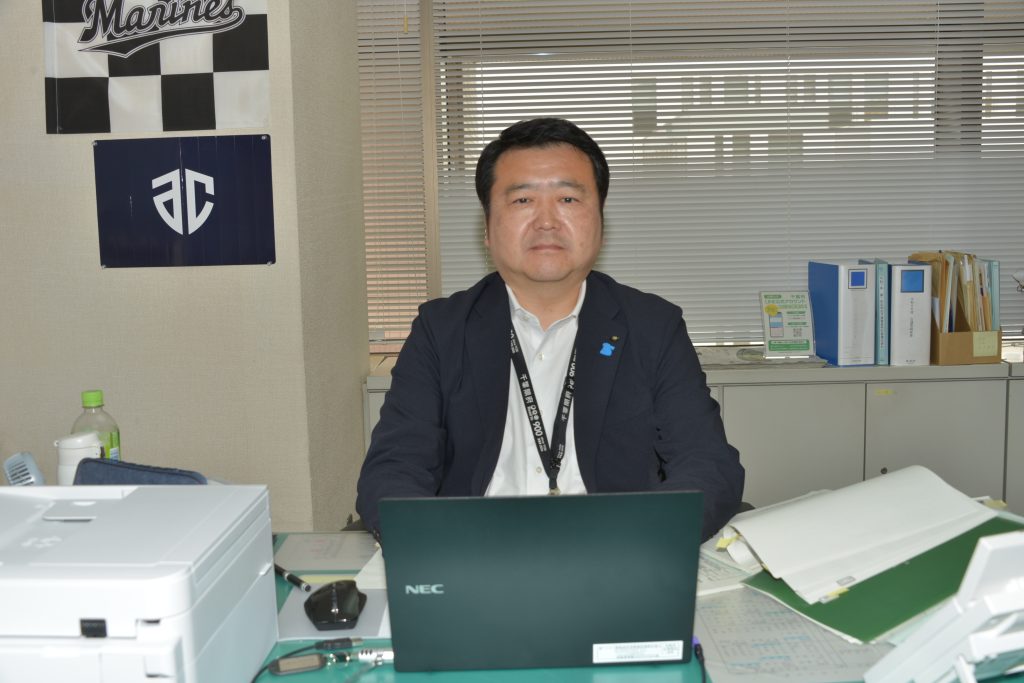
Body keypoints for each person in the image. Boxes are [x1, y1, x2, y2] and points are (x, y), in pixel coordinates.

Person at [356, 117, 743, 541]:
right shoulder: (441, 330)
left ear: (600, 222)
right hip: (476, 549)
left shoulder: (652, 326)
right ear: (487, 228)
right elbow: (394, 469)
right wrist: (437, 548)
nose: (546, 221)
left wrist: (641, 543)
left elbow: (707, 464)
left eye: (568, 199)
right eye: (522, 200)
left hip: (614, 547)